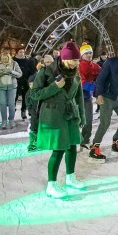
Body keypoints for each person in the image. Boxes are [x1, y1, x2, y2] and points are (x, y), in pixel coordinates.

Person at [31, 41, 86, 198]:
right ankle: (51, 185)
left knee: (72, 147)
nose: (76, 63)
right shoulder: (47, 72)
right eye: (74, 60)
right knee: (59, 149)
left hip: (70, 114)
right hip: (53, 115)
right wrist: (55, 86)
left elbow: (79, 96)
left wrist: (82, 115)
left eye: (77, 60)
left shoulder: (75, 73)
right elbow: (34, 94)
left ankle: (70, 178)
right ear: (64, 58)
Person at [90, 42, 118, 162]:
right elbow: (101, 78)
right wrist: (98, 94)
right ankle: (94, 147)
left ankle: (116, 142)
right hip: (107, 97)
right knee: (105, 123)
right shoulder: (111, 62)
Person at [0, 52, 23, 130]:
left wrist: (11, 72)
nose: (4, 60)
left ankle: (11, 120)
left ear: (9, 58)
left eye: (6, 59)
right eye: (2, 59)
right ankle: (4, 121)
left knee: (11, 104)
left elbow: (20, 74)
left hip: (12, 87)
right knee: (3, 104)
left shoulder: (14, 64)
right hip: (0, 87)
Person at [78, 43, 100, 151]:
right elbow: (82, 82)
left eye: (90, 53)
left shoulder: (94, 65)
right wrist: (95, 86)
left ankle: (85, 140)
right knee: (76, 120)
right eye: (86, 53)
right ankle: (72, 139)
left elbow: (102, 74)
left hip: (87, 97)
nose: (89, 55)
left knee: (88, 119)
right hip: (76, 96)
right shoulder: (78, 65)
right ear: (82, 55)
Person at [14, 48, 37, 120]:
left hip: (25, 81)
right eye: (20, 52)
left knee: (25, 98)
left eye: (23, 52)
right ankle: (12, 111)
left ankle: (23, 111)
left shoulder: (28, 61)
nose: (22, 53)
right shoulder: (13, 61)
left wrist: (31, 80)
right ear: (17, 53)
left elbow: (33, 71)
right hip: (15, 81)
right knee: (14, 97)